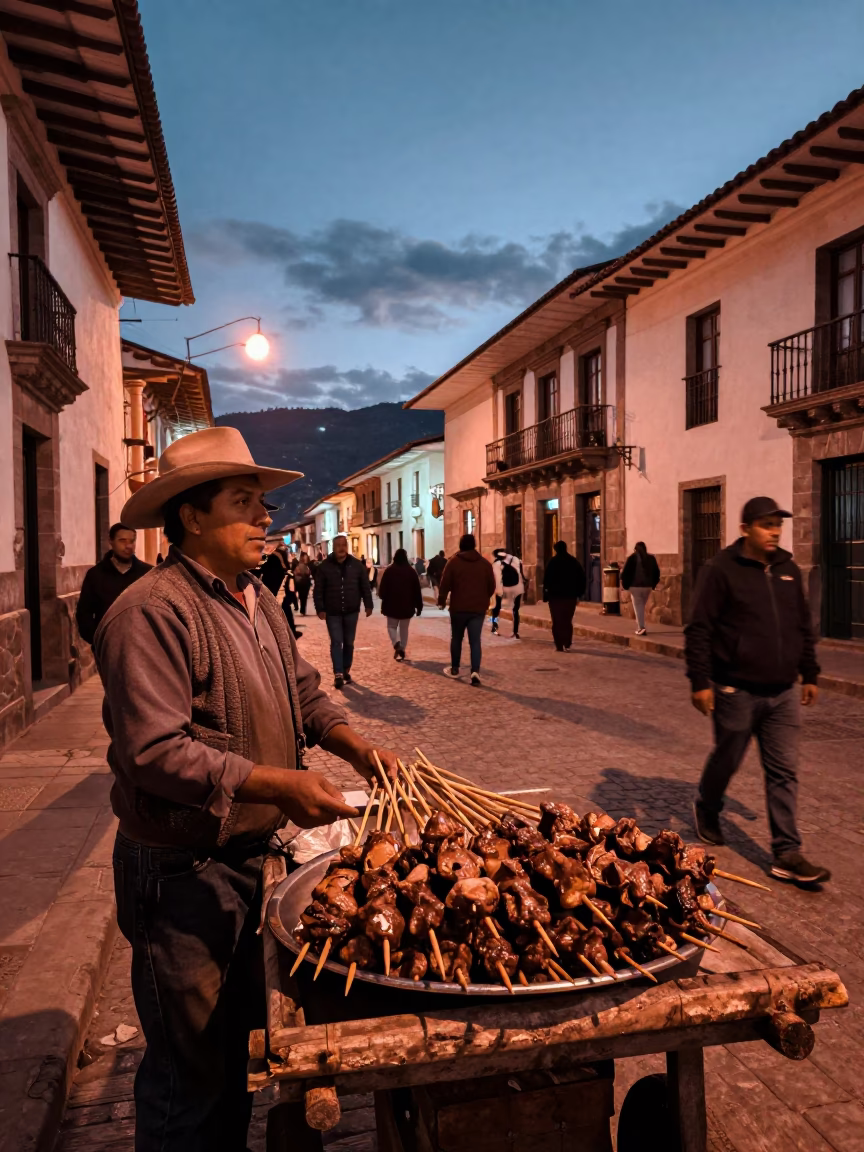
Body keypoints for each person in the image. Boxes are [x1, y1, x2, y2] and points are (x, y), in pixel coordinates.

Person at [94, 425, 398, 1151]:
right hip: (182, 876)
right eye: (245, 502)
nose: (266, 518)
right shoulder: (150, 613)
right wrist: (276, 783)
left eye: (261, 503)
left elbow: (302, 693)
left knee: (253, 1046)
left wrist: (355, 746)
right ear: (192, 517)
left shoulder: (255, 597)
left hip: (252, 860)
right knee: (192, 1077)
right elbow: (153, 752)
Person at [685, 496, 830, 887]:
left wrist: (810, 672)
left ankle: (786, 852)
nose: (775, 532)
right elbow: (699, 628)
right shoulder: (720, 570)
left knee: (784, 771)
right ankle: (708, 805)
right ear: (745, 528)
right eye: (766, 525)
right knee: (728, 758)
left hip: (782, 691)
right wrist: (700, 682)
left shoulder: (788, 569)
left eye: (777, 525)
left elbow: (801, 624)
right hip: (735, 688)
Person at [75, 522, 151, 644]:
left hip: (142, 646)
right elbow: (84, 613)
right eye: (122, 540)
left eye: (132, 541)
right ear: (111, 542)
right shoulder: (96, 575)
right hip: (107, 647)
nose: (128, 546)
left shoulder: (147, 573)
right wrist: (97, 640)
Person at [313, 533, 374, 688]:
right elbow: (318, 589)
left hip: (351, 610)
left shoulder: (357, 565)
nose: (341, 548)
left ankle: (346, 668)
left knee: (349, 643)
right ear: (334, 547)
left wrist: (368, 604)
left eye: (344, 545)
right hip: (332, 611)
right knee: (336, 642)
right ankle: (338, 673)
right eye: (338, 545)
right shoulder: (324, 567)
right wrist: (320, 608)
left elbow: (365, 586)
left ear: (347, 547)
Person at [438, 533, 496, 687]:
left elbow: (444, 584)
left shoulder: (453, 563)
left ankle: (455, 667)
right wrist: (483, 598)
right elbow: (492, 586)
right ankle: (475, 670)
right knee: (475, 641)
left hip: (458, 608)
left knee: (456, 638)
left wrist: (441, 601)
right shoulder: (485, 564)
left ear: (461, 545)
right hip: (477, 609)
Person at [379, 548, 423, 660]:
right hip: (407, 606)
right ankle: (402, 648)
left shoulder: (389, 571)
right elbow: (417, 590)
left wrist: (382, 596)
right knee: (404, 629)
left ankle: (396, 643)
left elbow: (383, 589)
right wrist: (419, 606)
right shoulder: (411, 571)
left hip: (391, 605)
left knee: (391, 627)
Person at [542, 541, 587, 651]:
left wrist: (545, 595)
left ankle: (559, 644)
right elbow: (582, 578)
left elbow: (546, 580)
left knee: (557, 621)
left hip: (555, 597)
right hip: (570, 596)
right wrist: (579, 593)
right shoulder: (573, 561)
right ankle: (567, 642)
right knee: (567, 620)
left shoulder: (552, 562)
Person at [258, 541, 302, 640]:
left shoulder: (273, 556)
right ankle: (288, 632)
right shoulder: (278, 556)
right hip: (278, 587)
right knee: (283, 609)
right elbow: (284, 569)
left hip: (273, 586)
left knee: (283, 609)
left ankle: (288, 631)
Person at [621, 541, 661, 636]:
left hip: (635, 587)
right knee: (641, 606)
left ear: (635, 549)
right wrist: (653, 584)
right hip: (647, 587)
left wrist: (625, 583)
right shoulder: (651, 558)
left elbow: (625, 572)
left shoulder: (632, 558)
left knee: (638, 606)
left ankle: (641, 628)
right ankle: (640, 626)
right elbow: (657, 572)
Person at [491, 548, 526, 638]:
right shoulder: (517, 560)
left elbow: (496, 578)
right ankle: (515, 631)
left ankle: (494, 627)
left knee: (496, 608)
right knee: (515, 610)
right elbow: (522, 575)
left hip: (503, 588)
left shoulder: (496, 563)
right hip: (517, 588)